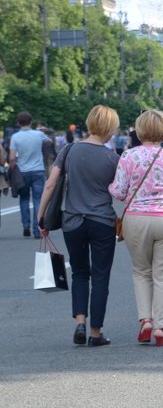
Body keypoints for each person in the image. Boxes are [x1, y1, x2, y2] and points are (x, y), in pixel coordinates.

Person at [37, 105, 121, 347]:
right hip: (103, 222)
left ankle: (80, 323)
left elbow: (51, 184)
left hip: (72, 222)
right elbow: (121, 191)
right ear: (109, 128)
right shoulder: (112, 158)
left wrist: (42, 216)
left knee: (80, 273)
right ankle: (96, 333)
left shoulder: (70, 150)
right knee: (101, 276)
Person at [109, 109, 163, 347]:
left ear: (139, 130)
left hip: (136, 218)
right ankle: (161, 327)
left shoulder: (128, 157)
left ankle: (145, 320)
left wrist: (109, 187)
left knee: (142, 272)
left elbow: (119, 191)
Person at [8, 111, 51, 238]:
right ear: (31, 121)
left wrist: (12, 169)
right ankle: (37, 230)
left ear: (18, 123)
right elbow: (49, 141)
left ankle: (25, 226)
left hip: (22, 172)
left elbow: (11, 158)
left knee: (24, 199)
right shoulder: (39, 134)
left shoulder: (15, 137)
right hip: (38, 170)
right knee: (38, 200)